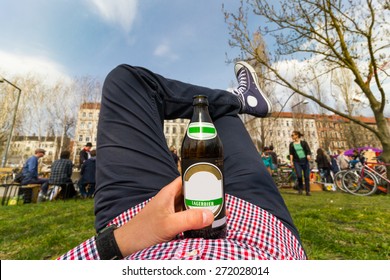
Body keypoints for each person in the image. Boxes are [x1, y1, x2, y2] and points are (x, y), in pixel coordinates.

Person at [58, 61, 306, 260]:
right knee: (223, 115)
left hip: (138, 221)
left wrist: (117, 242)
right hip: (260, 227)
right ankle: (239, 101)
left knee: (127, 81)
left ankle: (239, 100)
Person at [289, 131, 312, 196]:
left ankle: (308, 191)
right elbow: (291, 154)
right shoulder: (291, 144)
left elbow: (308, 150)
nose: (292, 136)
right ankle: (300, 189)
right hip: (297, 161)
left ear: (297, 135)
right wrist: (291, 161)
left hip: (305, 161)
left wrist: (308, 155)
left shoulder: (304, 143)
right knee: (299, 176)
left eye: (293, 135)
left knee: (306, 176)